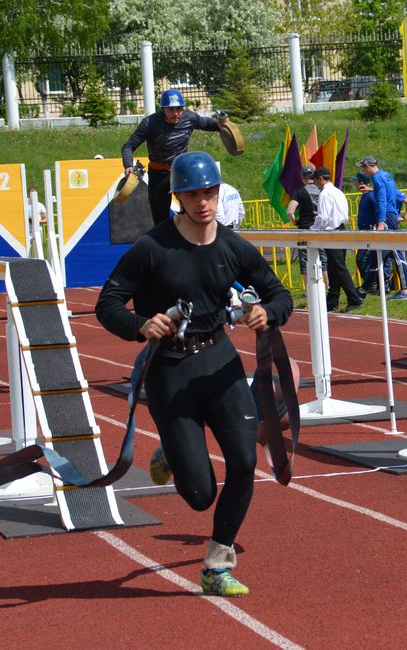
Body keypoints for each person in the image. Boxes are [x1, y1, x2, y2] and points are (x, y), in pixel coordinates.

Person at [95, 151, 293, 598]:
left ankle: (217, 564)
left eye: (209, 192)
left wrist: (266, 312)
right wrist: (139, 325)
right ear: (178, 197)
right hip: (170, 372)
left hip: (220, 363)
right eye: (192, 194)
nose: (203, 202)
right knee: (201, 495)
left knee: (244, 462)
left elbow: (281, 295)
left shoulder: (233, 246)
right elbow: (107, 303)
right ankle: (173, 450)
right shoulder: (152, 248)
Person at [121, 90, 228, 225]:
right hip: (158, 175)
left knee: (192, 214)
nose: (176, 113)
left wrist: (223, 124)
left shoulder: (190, 118)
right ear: (163, 109)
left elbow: (209, 124)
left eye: (179, 108)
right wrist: (128, 165)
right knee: (160, 221)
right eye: (171, 109)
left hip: (182, 172)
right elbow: (128, 146)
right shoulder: (150, 123)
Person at [356, 156, 407, 300]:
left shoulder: (377, 178)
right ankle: (363, 290)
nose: (363, 171)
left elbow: (382, 200)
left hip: (386, 216)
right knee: (376, 254)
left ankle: (405, 291)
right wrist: (371, 189)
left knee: (396, 253)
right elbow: (391, 193)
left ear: (368, 166)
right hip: (391, 214)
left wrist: (381, 222)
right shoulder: (386, 175)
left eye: (363, 168)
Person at [311, 167, 363, 312]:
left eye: (316, 182)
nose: (316, 185)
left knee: (338, 266)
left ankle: (354, 298)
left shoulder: (325, 194)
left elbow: (323, 217)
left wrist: (313, 229)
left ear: (321, 179)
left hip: (332, 232)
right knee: (335, 266)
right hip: (341, 229)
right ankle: (332, 299)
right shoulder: (338, 192)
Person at [287, 165, 327, 277]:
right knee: (323, 256)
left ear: (302, 177)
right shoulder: (322, 191)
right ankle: (328, 285)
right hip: (320, 227)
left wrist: (295, 222)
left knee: (304, 258)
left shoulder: (299, 191)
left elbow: (290, 212)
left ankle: (307, 288)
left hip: (304, 228)